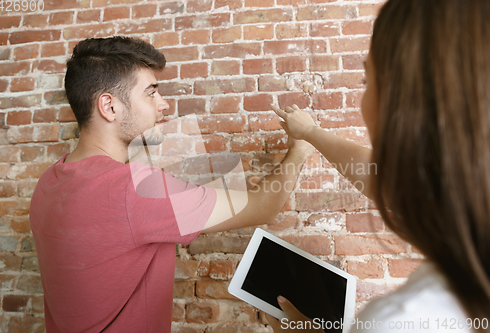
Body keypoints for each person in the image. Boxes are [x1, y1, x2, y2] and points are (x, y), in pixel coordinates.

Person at [29, 36, 314, 333]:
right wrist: (299, 149)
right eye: (151, 93)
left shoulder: (49, 183)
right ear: (109, 107)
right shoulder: (136, 189)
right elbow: (263, 207)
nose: (163, 104)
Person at [265, 0, 490, 332]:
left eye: (368, 80)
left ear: (406, 108)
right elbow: (390, 179)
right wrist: (310, 134)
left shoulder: (401, 320)